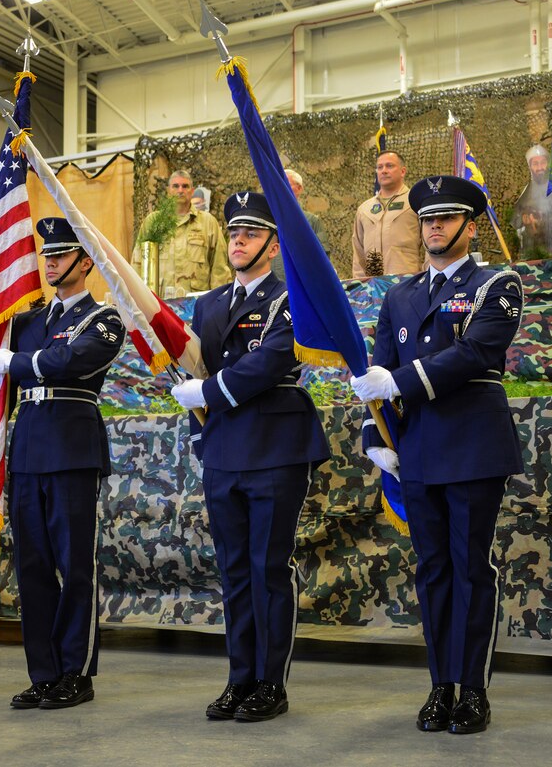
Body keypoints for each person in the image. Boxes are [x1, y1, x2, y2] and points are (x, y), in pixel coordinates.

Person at [350, 175, 524, 735]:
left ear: (470, 227)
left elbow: (474, 354)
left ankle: (471, 689)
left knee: (469, 569)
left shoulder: (497, 282)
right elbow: (375, 372)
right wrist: (376, 439)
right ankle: (439, 685)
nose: (434, 227)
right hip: (419, 448)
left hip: (472, 444)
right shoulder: (400, 295)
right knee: (432, 571)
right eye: (427, 220)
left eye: (446, 219)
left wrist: (394, 382)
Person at [170, 191, 329, 723]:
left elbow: (268, 363)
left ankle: (270, 682)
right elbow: (192, 358)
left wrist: (208, 393)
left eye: (251, 233)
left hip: (276, 448)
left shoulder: (292, 300)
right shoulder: (210, 304)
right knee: (234, 570)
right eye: (234, 232)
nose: (239, 241)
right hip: (223, 449)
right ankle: (239, 678)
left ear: (273, 244)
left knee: (267, 568)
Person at [0, 217, 126, 710]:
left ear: (86, 262)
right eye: (47, 255)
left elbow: (68, 363)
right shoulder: (28, 320)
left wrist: (15, 363)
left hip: (71, 448)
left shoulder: (103, 318)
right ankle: (43, 672)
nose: (51, 262)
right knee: (33, 567)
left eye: (61, 254)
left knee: (74, 566)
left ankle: (75, 673)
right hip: (29, 450)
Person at [149, 170, 231, 296]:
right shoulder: (153, 222)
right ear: (168, 190)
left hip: (196, 306)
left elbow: (219, 269)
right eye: (175, 186)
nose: (180, 190)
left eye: (185, 186)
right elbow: (138, 264)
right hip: (160, 305)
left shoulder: (208, 223)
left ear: (192, 191)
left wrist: (218, 304)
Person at [351, 150, 424, 278]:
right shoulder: (364, 209)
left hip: (408, 282)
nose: (384, 170)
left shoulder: (416, 202)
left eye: (389, 166)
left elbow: (430, 247)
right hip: (373, 286)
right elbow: (358, 252)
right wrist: (360, 283)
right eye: (380, 167)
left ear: (403, 171)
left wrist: (427, 280)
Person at [270, 168, 330, 281]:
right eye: (278, 183)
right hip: (272, 288)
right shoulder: (268, 219)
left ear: (299, 188)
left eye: (286, 182)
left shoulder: (311, 221)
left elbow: (323, 256)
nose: (281, 187)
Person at [512, 145, 552, 259]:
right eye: (535, 164)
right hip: (532, 254)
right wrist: (525, 218)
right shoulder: (526, 190)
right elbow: (515, 222)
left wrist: (543, 220)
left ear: (548, 164)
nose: (540, 167)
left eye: (542, 162)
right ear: (530, 167)